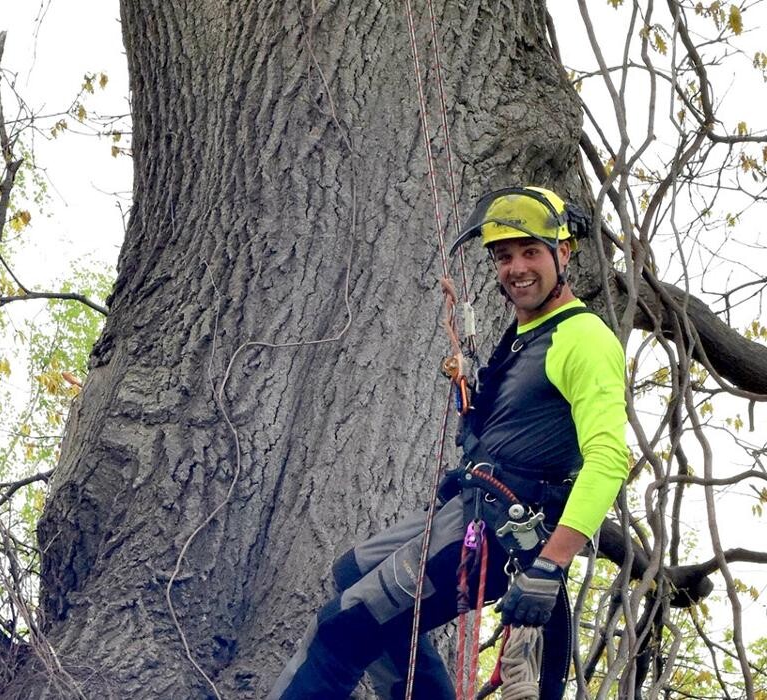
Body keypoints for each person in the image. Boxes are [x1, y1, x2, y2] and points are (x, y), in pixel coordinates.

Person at [269, 186, 629, 700]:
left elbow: (610, 459)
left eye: (531, 251)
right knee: (352, 573)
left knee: (344, 627)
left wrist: (551, 564)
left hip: (500, 531)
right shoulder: (527, 334)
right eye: (505, 256)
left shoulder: (584, 338)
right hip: (472, 507)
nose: (517, 268)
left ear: (563, 253)